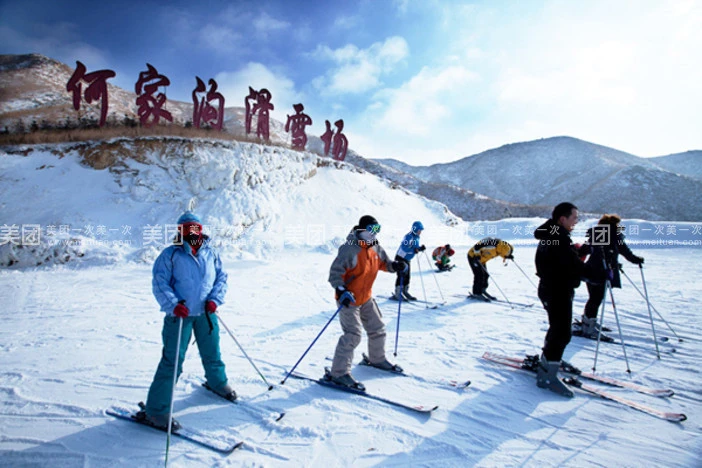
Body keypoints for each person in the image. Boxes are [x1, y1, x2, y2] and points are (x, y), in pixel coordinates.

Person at [138, 211, 233, 430]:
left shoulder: (211, 253)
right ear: (180, 232)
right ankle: (156, 410)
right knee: (172, 362)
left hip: (206, 314)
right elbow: (160, 282)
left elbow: (221, 278)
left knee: (212, 352)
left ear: (200, 230)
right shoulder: (170, 255)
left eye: (195, 228)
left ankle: (217, 382)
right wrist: (173, 305)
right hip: (179, 316)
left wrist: (215, 300)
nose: (192, 233)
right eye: (187, 229)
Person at [327, 215, 407, 390]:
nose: (374, 234)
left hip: (366, 297)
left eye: (377, 230)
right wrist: (341, 291)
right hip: (349, 299)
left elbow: (385, 264)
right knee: (353, 335)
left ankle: (376, 359)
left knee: (377, 328)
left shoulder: (375, 247)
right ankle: (338, 373)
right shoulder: (349, 249)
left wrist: (396, 266)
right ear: (361, 230)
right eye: (371, 230)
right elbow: (335, 273)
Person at [533, 202, 601, 397]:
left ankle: (549, 360)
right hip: (556, 290)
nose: (576, 222)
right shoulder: (558, 237)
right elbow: (572, 266)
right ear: (562, 219)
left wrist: (580, 252)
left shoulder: (553, 233)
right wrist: (598, 275)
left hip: (552, 287)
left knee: (557, 329)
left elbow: (563, 258)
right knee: (562, 332)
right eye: (574, 218)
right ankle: (548, 375)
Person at [578, 214, 644, 338]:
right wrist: (636, 260)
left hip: (589, 270)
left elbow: (584, 250)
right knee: (596, 299)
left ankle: (588, 322)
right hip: (602, 272)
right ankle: (589, 326)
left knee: (593, 298)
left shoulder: (596, 234)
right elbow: (625, 251)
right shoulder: (614, 235)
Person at [391, 221, 425, 301]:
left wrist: (419, 248)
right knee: (401, 275)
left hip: (407, 259)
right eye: (419, 230)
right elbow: (404, 248)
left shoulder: (416, 237)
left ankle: (405, 291)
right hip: (401, 258)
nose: (420, 232)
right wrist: (415, 250)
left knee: (407, 276)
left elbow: (414, 248)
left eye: (421, 230)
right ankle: (397, 293)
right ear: (415, 229)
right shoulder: (408, 237)